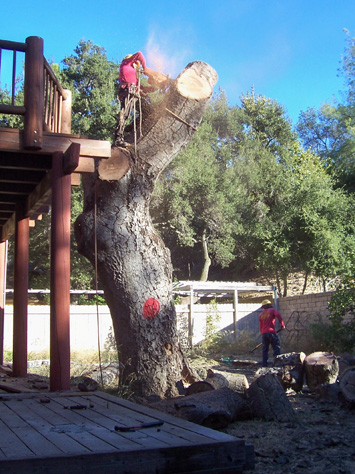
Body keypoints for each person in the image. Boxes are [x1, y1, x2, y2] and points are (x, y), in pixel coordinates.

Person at [114, 52, 158, 147]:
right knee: (124, 114)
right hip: (127, 92)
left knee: (148, 112)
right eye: (136, 64)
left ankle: (131, 128)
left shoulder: (134, 77)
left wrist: (154, 88)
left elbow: (142, 88)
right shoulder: (125, 63)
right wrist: (145, 68)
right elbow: (139, 54)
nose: (137, 67)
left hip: (134, 94)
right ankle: (118, 138)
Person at [259, 299, 285, 367]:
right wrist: (282, 325)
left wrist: (263, 333)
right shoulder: (273, 310)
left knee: (265, 351)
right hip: (271, 332)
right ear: (270, 305)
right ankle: (276, 365)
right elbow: (278, 315)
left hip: (264, 334)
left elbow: (261, 326)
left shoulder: (261, 314)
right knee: (276, 348)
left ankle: (264, 365)